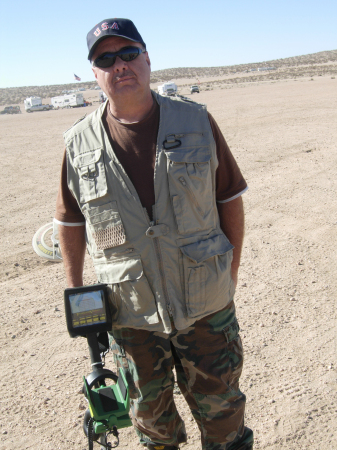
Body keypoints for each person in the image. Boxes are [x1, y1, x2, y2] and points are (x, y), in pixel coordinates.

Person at [55, 18, 253, 450]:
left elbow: (230, 199)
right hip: (132, 317)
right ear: (94, 72)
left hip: (206, 307)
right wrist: (77, 295)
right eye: (105, 58)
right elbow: (69, 222)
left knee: (225, 423)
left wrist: (229, 275)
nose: (120, 65)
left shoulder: (196, 120)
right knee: (153, 431)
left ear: (147, 59)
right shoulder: (78, 143)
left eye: (128, 53)